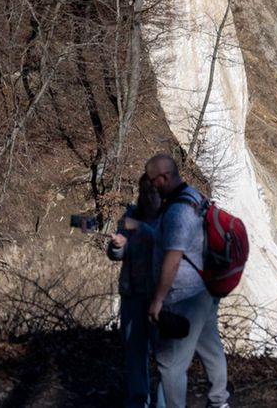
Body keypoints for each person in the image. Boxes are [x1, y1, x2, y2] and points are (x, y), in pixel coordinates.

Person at [145, 152, 230, 408]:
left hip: (184, 296)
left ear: (165, 176)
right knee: (210, 348)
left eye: (153, 181)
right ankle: (219, 402)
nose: (151, 186)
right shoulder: (196, 197)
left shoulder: (178, 211)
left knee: (170, 364)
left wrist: (158, 298)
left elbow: (173, 256)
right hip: (204, 290)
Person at [108, 174, 166, 408]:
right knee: (135, 351)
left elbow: (167, 246)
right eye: (145, 192)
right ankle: (138, 400)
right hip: (133, 293)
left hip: (162, 298)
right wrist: (117, 246)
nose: (149, 197)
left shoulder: (170, 217)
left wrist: (142, 229)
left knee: (165, 356)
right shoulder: (130, 216)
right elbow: (114, 255)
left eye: (153, 193)